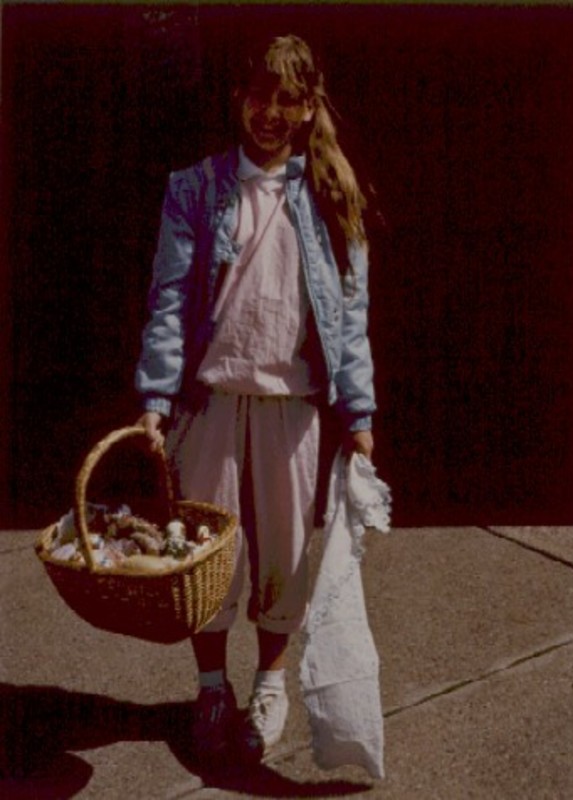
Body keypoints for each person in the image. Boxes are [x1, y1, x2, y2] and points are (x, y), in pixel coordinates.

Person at [134, 33, 376, 764]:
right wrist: (154, 395)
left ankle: (269, 681)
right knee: (206, 560)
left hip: (293, 408)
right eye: (259, 95)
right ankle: (212, 685)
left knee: (284, 559)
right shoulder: (196, 189)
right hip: (209, 405)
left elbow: (350, 315)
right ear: (238, 98)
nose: (270, 112)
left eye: (288, 99)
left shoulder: (332, 195)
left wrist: (359, 414)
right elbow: (169, 302)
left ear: (308, 109)